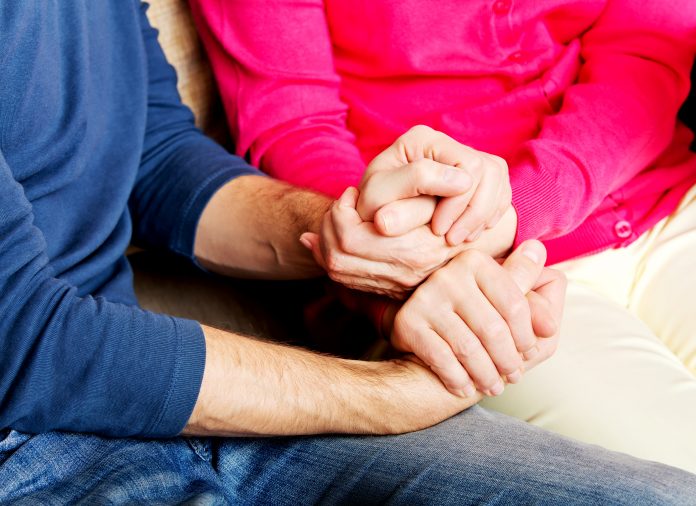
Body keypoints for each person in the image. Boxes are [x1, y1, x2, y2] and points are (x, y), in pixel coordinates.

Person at [2, 1, 696, 503]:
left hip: (645, 199)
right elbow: (28, 343)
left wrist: (361, 236)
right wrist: (387, 394)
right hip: (49, 424)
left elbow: (154, 154)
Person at [190, 0, 696, 471]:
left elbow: (648, 48)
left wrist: (522, 207)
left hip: (662, 195)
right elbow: (294, 124)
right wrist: (395, 258)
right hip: (459, 279)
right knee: (677, 462)